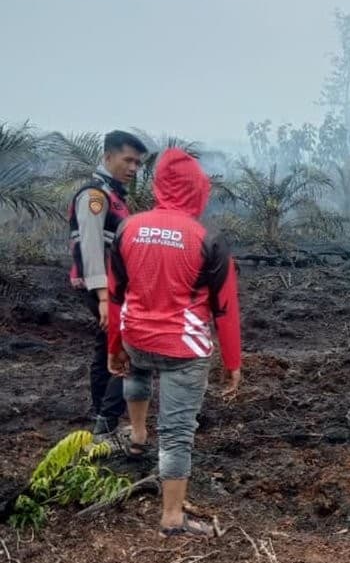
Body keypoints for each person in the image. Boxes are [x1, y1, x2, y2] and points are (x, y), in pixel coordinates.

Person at [106, 148, 242, 538]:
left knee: (138, 372)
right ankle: (170, 517)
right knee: (178, 431)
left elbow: (117, 295)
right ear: (196, 189)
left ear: (159, 185)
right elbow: (225, 309)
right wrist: (233, 361)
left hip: (135, 337)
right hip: (183, 352)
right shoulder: (207, 239)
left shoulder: (128, 228)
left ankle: (136, 436)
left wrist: (114, 346)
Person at [67, 129, 147, 435]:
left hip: (112, 290)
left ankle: (102, 417)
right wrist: (104, 297)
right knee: (126, 348)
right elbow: (90, 248)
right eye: (128, 160)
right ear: (107, 156)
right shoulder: (95, 197)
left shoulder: (113, 196)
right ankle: (107, 421)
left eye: (138, 163)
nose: (133, 168)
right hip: (104, 290)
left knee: (105, 349)